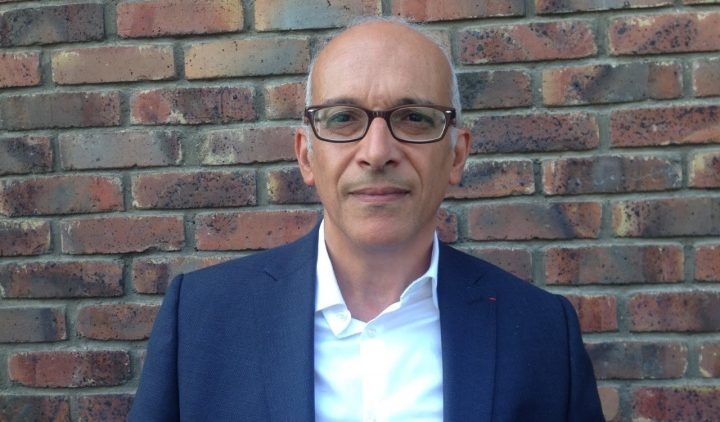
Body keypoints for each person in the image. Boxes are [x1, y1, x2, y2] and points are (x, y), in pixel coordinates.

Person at [129, 18, 604, 421]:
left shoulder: (542, 333)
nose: (377, 152)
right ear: (306, 156)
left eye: (414, 118)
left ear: (457, 155)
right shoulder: (201, 320)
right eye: (343, 118)